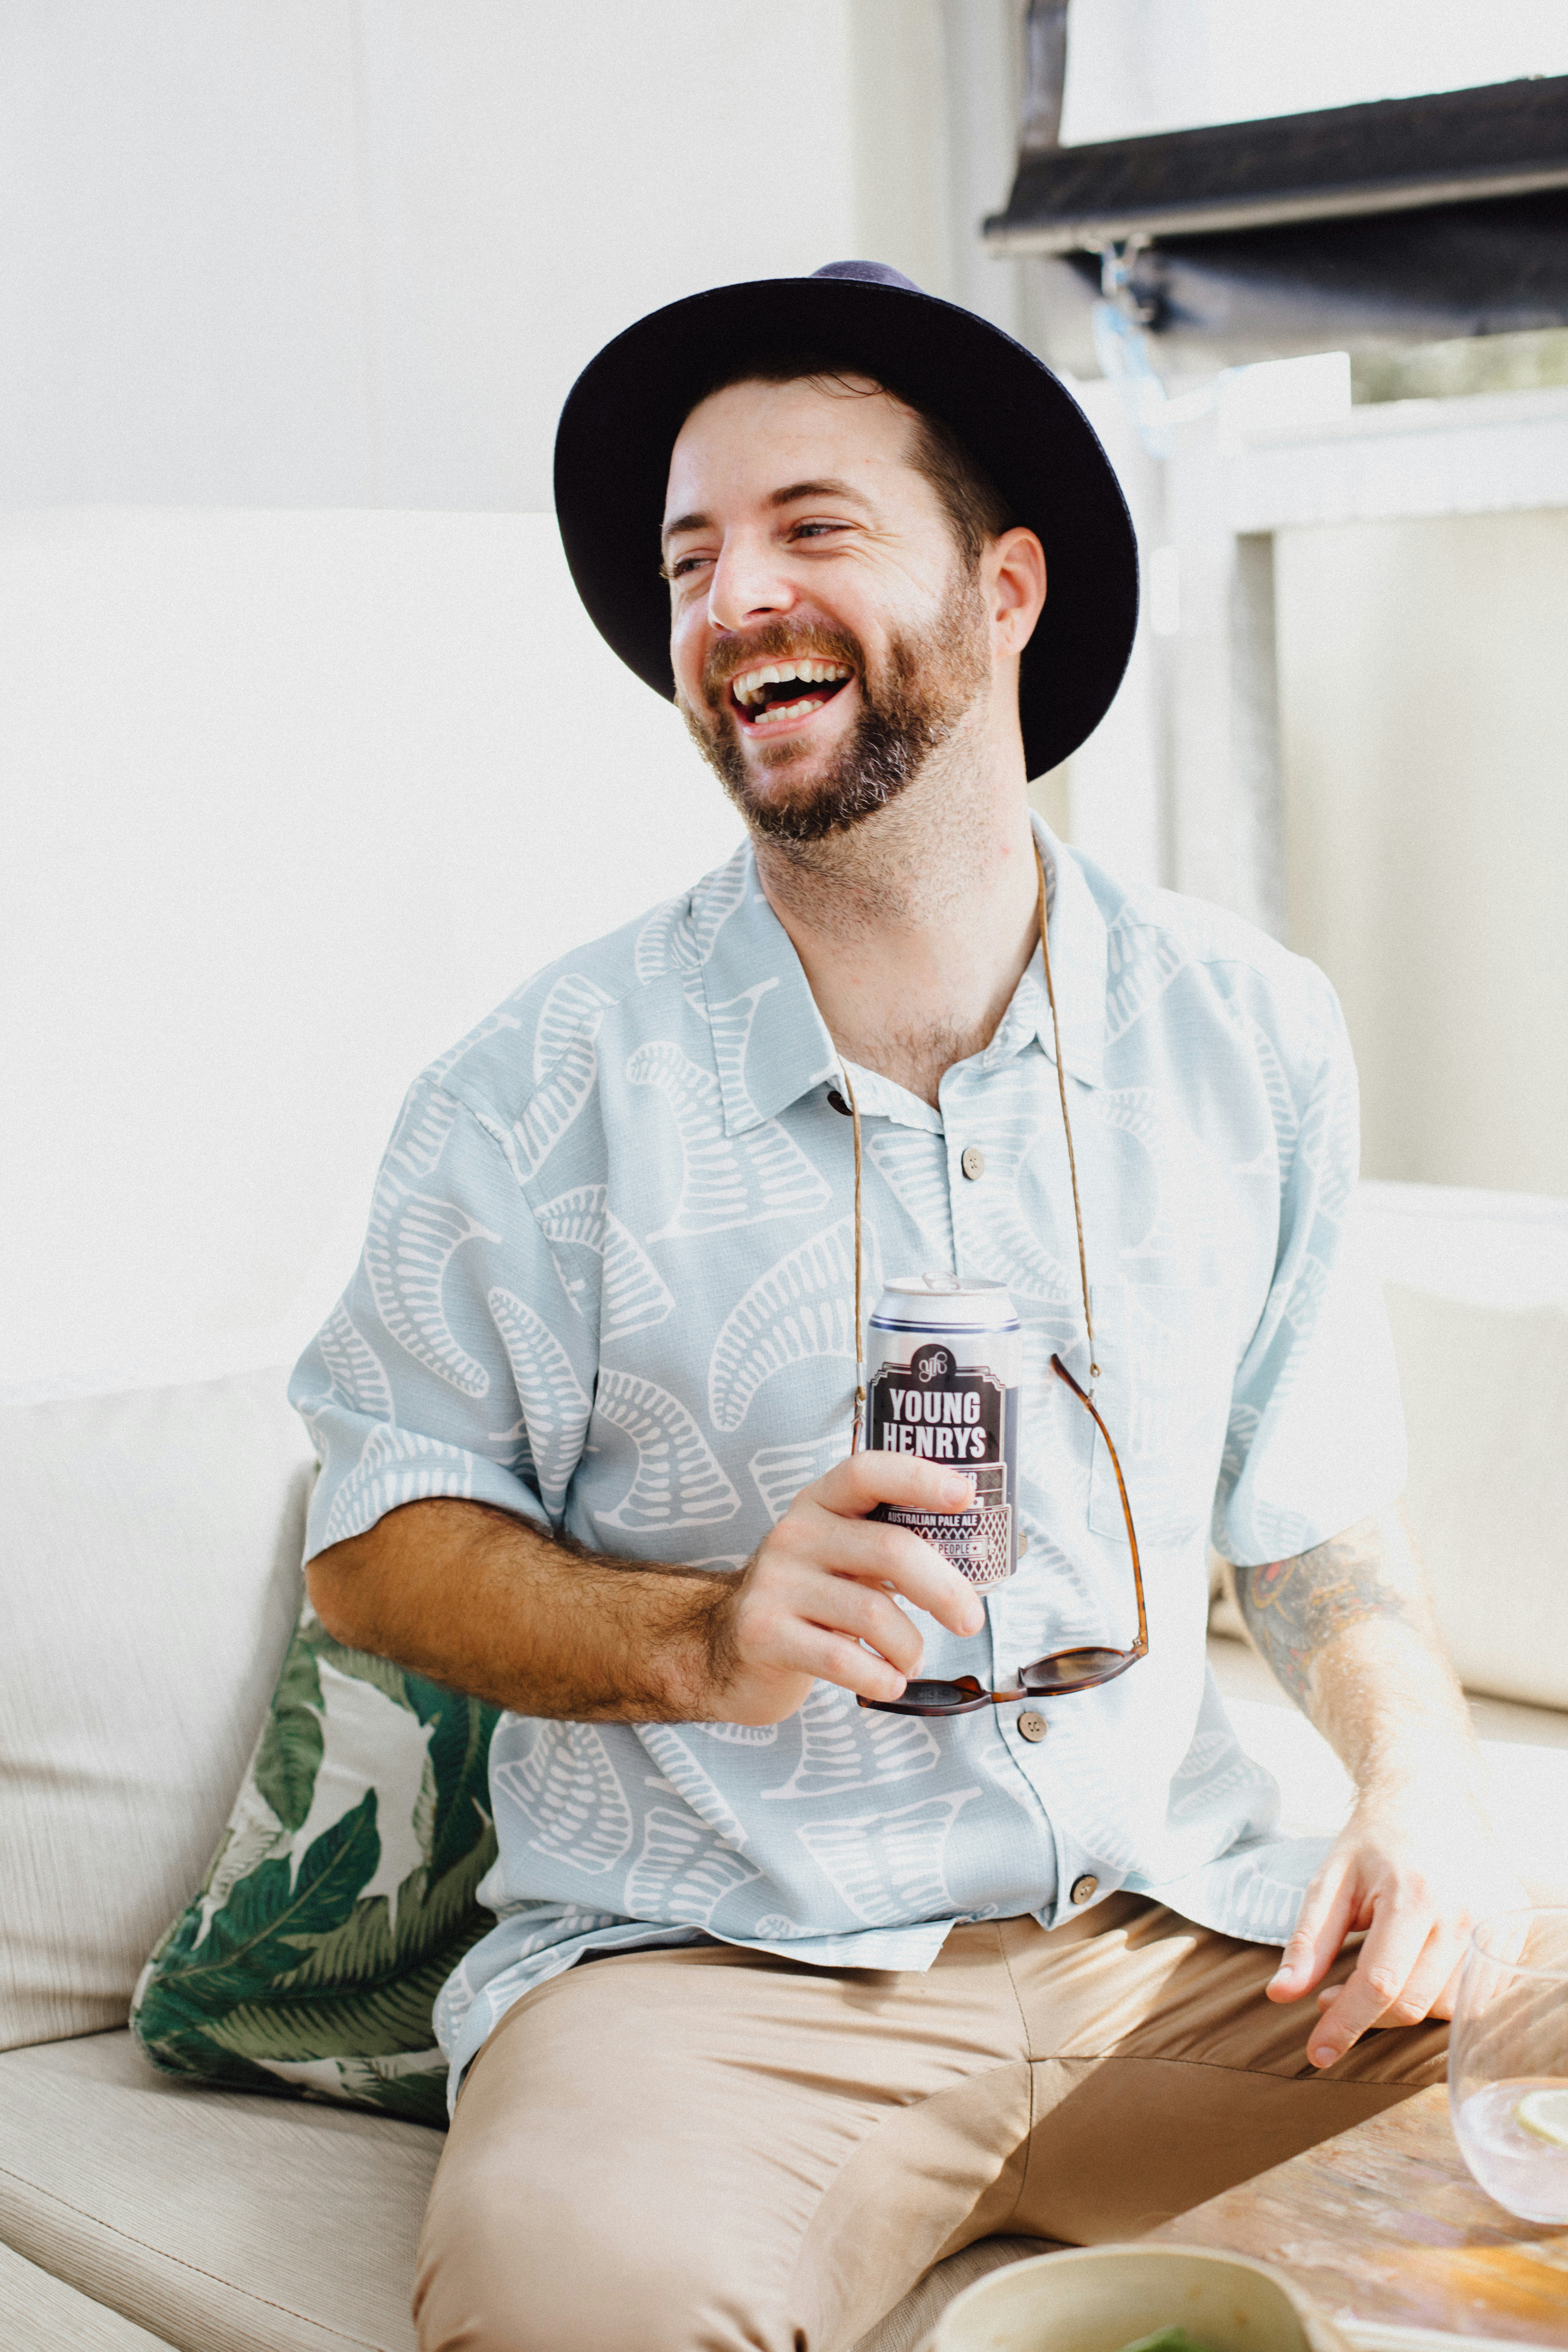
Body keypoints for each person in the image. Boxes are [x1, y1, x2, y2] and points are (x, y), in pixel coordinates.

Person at [290, 263, 1522, 2352]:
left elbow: (1311, 1532)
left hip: (1185, 1942)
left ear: (1009, 585)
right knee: (576, 2310)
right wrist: (703, 1634)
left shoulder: (1253, 1035)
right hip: (710, 1980)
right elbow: (376, 1543)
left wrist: (1416, 1785)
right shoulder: (530, 1089)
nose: (732, 598)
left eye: (812, 529)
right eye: (693, 560)